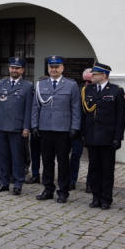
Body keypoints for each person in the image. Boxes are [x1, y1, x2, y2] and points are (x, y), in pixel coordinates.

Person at [31, 55, 81, 203]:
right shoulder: (41, 84)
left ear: (62, 68)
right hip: (45, 128)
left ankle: (63, 191)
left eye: (56, 67)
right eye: (51, 67)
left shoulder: (71, 85)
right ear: (48, 68)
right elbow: (36, 107)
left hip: (63, 130)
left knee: (63, 161)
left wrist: (75, 127)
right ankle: (48, 189)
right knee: (47, 161)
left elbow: (75, 108)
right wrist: (34, 125)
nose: (53, 69)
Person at [80, 62, 125, 210]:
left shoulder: (116, 91)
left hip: (108, 137)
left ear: (104, 75)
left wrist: (118, 137)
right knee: (94, 169)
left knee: (107, 170)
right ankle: (96, 197)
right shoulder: (88, 90)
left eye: (95, 74)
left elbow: (121, 117)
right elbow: (84, 114)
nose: (92, 76)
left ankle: (106, 199)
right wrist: (83, 134)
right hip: (92, 136)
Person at [0, 57, 34, 195]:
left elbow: (28, 109)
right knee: (2, 156)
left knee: (17, 158)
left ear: (22, 70)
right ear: (9, 68)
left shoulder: (27, 86)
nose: (14, 70)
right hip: (1, 125)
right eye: (12, 67)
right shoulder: (1, 84)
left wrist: (26, 127)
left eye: (17, 68)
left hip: (17, 127)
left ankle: (18, 183)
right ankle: (3, 183)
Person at [71, 68, 94, 191]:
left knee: (93, 158)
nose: (86, 84)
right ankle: (71, 180)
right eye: (84, 81)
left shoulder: (97, 91)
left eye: (89, 82)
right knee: (75, 155)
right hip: (78, 130)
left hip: (91, 130)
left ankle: (90, 183)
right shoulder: (78, 90)